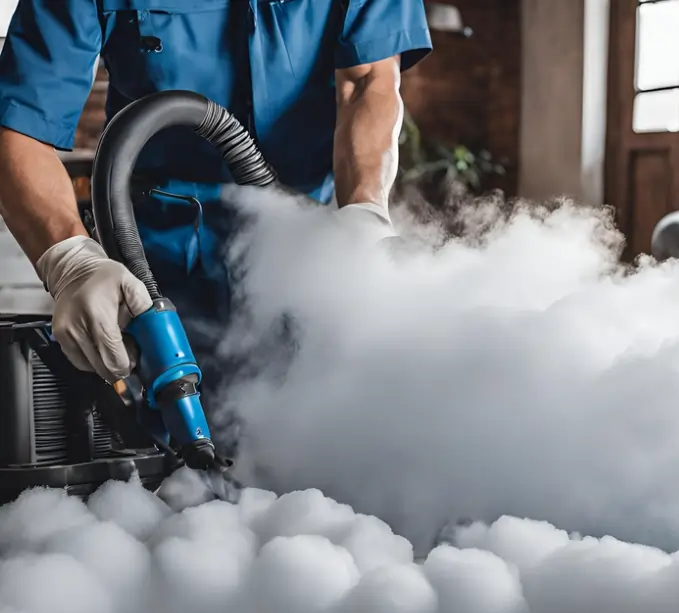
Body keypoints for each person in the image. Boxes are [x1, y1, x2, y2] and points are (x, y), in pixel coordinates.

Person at [0, 0, 432, 384]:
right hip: (153, 273)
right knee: (163, 449)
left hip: (309, 258)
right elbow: (19, 123)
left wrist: (364, 211)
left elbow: (367, 81)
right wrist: (71, 260)